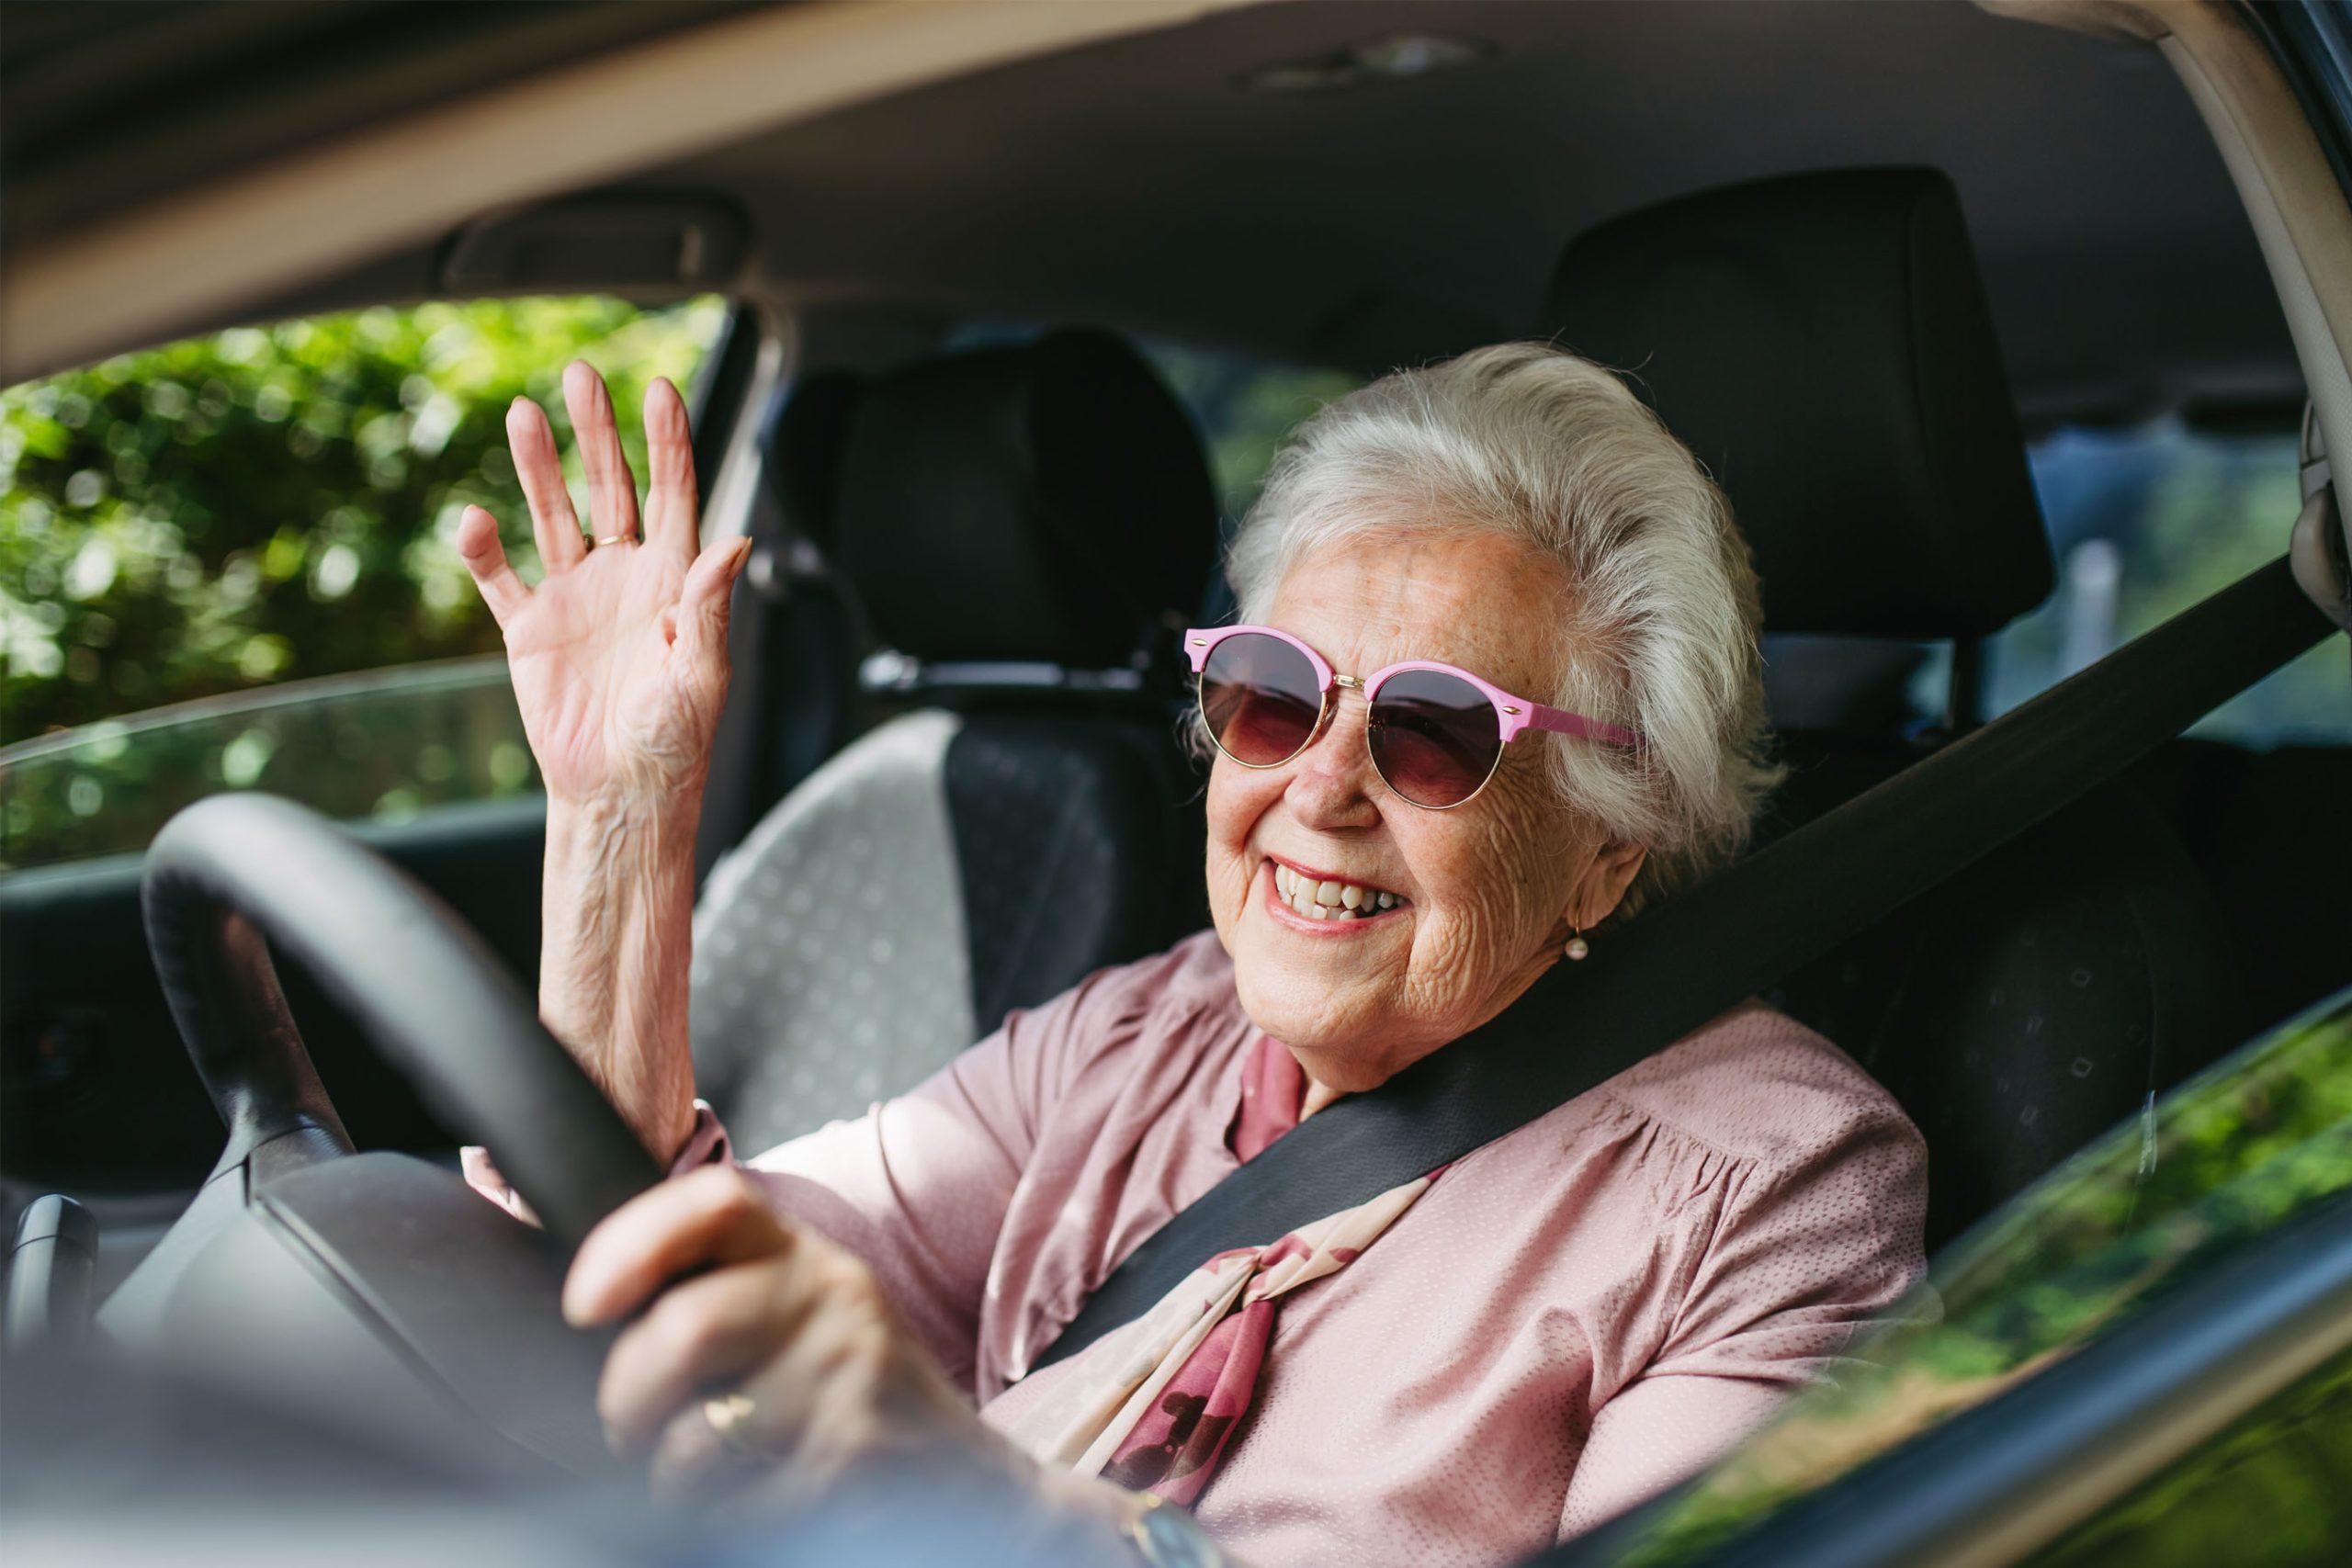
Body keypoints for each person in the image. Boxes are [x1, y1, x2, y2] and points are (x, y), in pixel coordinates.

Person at [456, 344, 1928, 1568]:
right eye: (1277, 695)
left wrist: (993, 1504)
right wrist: (620, 822)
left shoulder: (1769, 1189)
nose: (1321, 787)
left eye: (1435, 732)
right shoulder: (1140, 1037)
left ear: (1617, 838)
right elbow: (635, 1287)